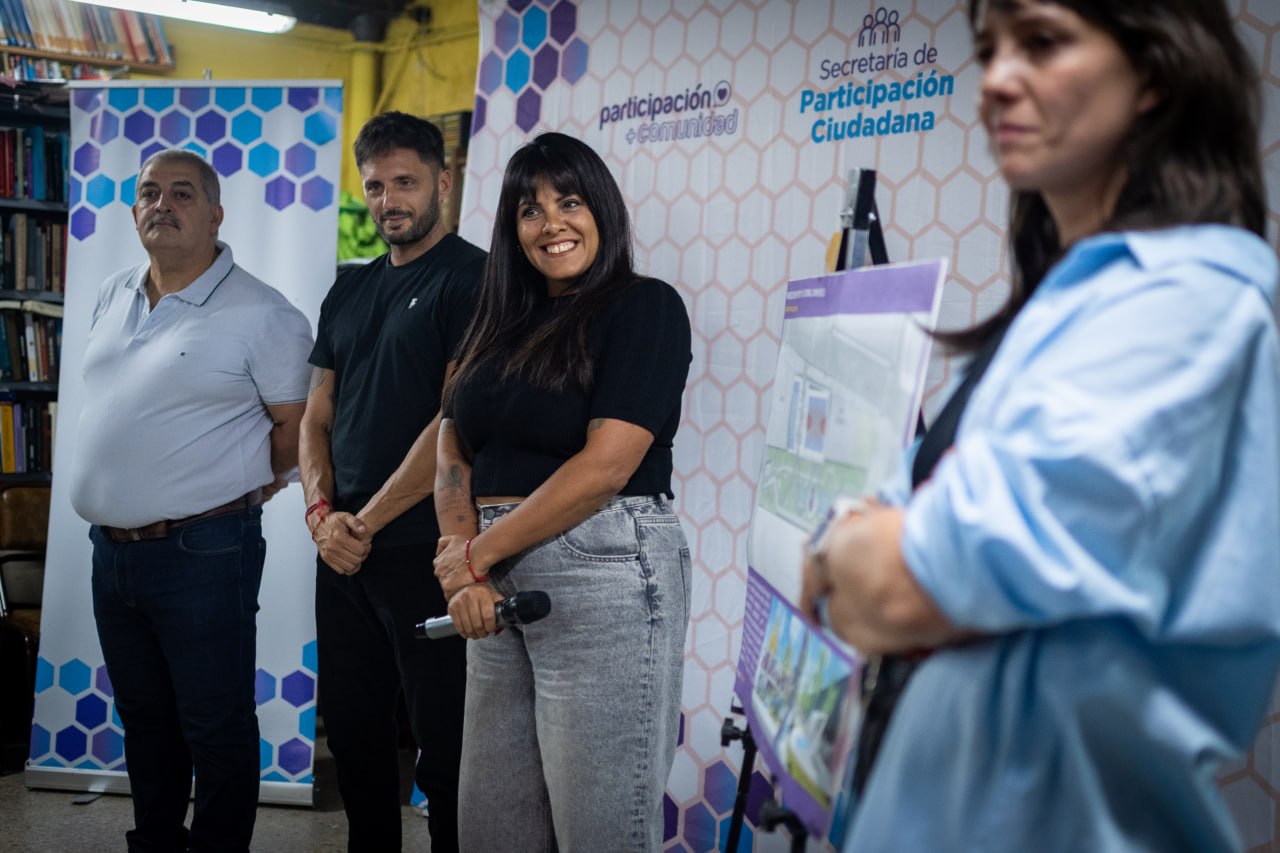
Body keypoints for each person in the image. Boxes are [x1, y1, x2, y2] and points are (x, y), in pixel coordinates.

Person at [800, 1, 1280, 849]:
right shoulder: (1061, 307)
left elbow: (900, 586)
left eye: (1043, 42)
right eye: (989, 50)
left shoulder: (1195, 299)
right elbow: (863, 555)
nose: (995, 80)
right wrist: (870, 545)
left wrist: (875, 552)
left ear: (1156, 72)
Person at [433, 132, 692, 852]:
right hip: (490, 573)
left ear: (601, 208)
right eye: (530, 210)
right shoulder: (497, 324)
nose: (551, 224)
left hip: (602, 568)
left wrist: (475, 555)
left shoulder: (644, 307)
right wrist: (460, 554)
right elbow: (451, 444)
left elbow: (607, 466)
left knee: (599, 830)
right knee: (493, 828)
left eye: (569, 202)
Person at [68, 149, 313, 853]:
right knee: (145, 718)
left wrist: (243, 483)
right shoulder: (113, 292)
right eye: (149, 193)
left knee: (214, 722)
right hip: (111, 551)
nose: (163, 205)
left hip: (205, 550)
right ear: (133, 211)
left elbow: (297, 428)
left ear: (215, 214)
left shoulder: (264, 312)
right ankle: (154, 842)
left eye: (182, 193)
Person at [299, 111, 484, 852]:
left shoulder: (476, 280)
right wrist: (321, 515)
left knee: (444, 738)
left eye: (405, 182)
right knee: (354, 732)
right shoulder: (348, 289)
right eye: (375, 186)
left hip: (424, 548)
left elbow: (452, 419)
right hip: (342, 552)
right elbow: (316, 415)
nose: (388, 200)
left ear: (444, 182)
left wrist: (363, 523)